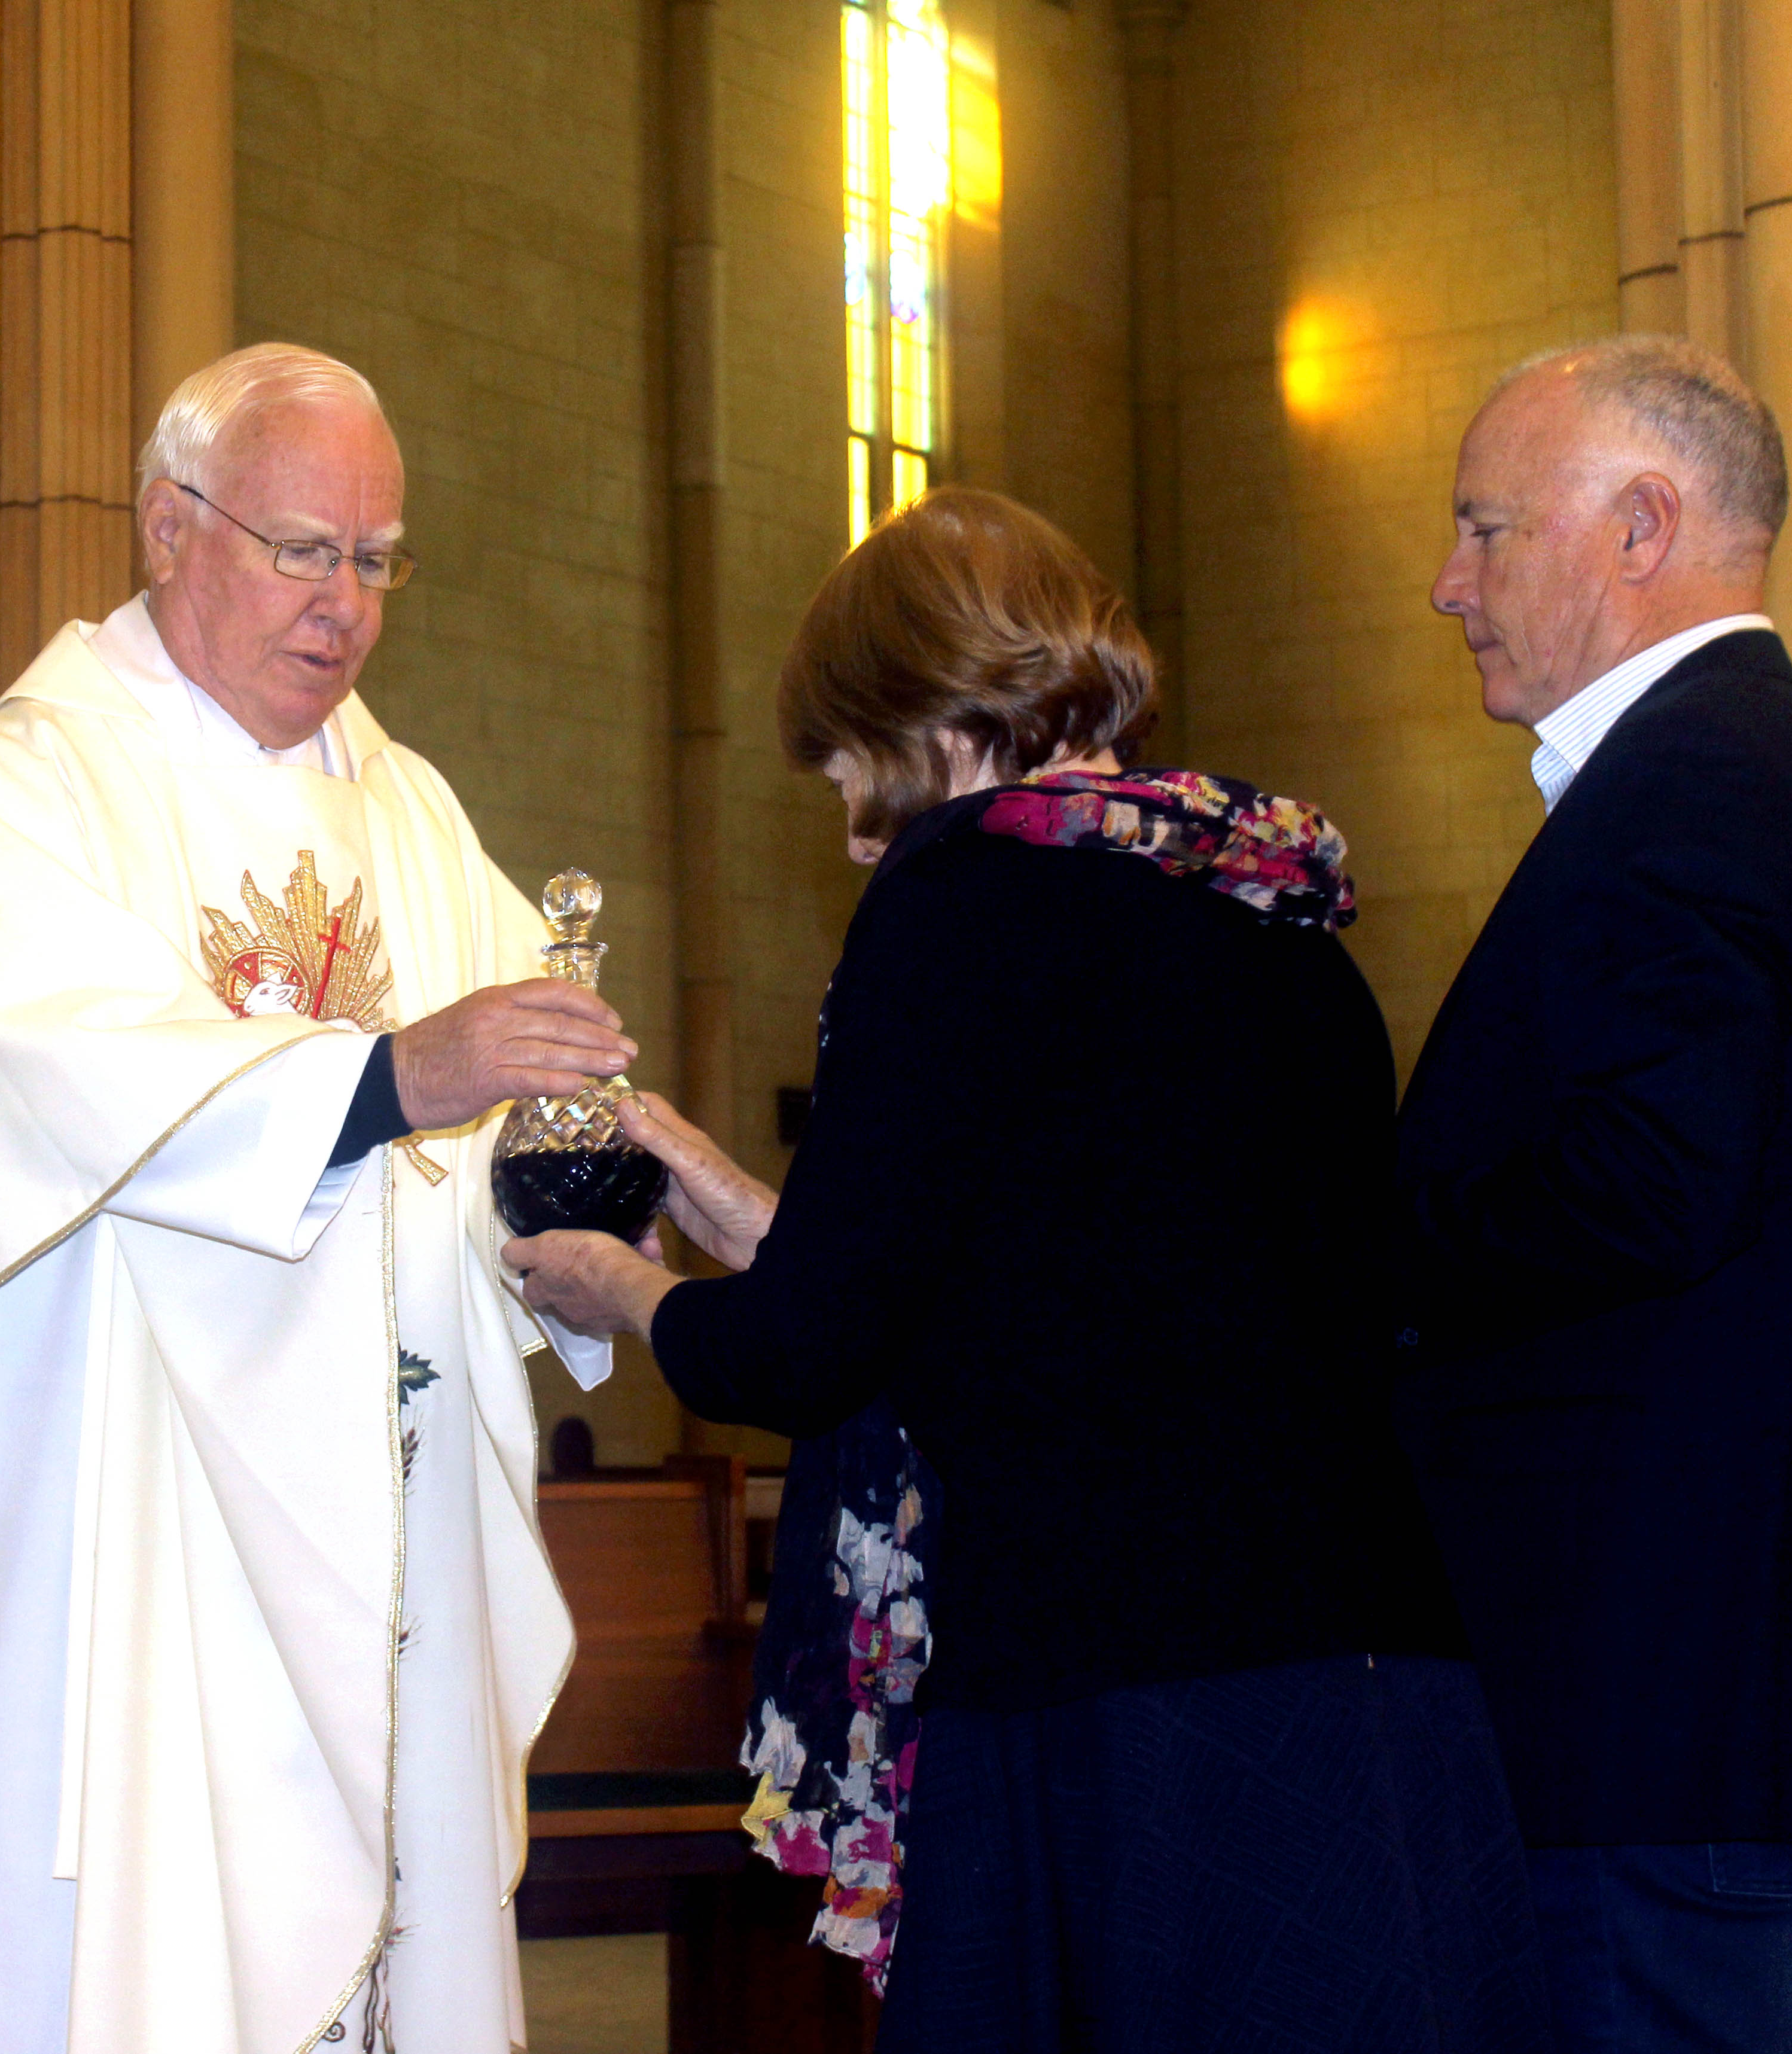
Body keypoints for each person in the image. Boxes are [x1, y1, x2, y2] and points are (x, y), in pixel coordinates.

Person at [508, 486, 1547, 2052]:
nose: (857, 827)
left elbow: (812, 1346)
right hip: (1372, 1677)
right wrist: (727, 1194)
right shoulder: (1274, 915)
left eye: (852, 765)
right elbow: (1047, 1287)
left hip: (1124, 1695)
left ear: (923, 717)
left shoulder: (959, 905)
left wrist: (626, 1291)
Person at [0, 343, 636, 2054]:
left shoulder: (408, 806)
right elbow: (56, 1063)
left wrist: (597, 1203)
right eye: (304, 549)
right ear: (166, 526)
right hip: (116, 1536)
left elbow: (535, 1100)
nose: (345, 606)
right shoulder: (36, 785)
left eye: (377, 559)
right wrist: (394, 1078)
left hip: (387, 1527)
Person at [1397, 335, 1792, 2053]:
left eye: (1485, 529)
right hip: (1741, 1707)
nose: (1446, 583)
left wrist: (1334, 1235)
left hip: (1645, 1699)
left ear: (1641, 525)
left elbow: (1646, 1185)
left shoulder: (1694, 784)